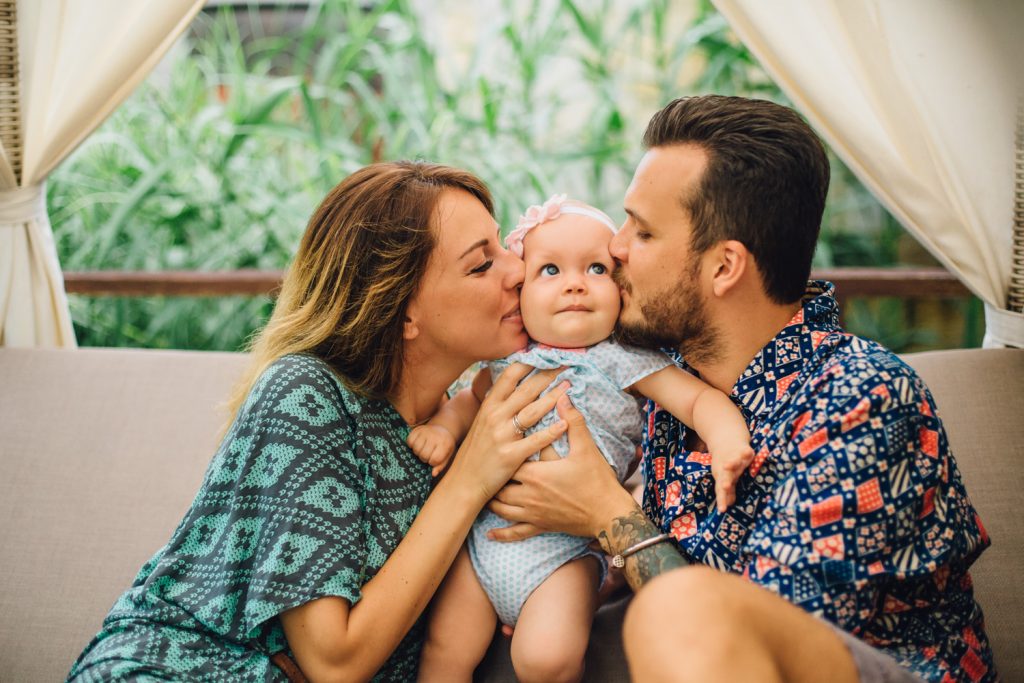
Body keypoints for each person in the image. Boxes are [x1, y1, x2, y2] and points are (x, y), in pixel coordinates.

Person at [487, 96, 996, 683]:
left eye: (643, 231)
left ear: (725, 267)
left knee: (684, 606)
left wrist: (610, 517)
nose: (616, 247)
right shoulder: (660, 373)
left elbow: (757, 631)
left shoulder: (859, 398)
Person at [67, 161, 572, 682]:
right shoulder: (306, 393)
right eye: (480, 265)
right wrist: (469, 478)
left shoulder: (462, 419)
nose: (519, 271)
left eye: (504, 247)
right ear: (402, 311)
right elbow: (334, 662)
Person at [410, 195, 753, 683]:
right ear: (519, 294)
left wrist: (727, 441)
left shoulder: (622, 359)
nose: (574, 284)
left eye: (596, 268)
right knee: (445, 651)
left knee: (547, 659)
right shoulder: (510, 356)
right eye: (550, 271)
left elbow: (698, 402)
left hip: (566, 554)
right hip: (484, 542)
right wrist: (444, 431)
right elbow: (468, 400)